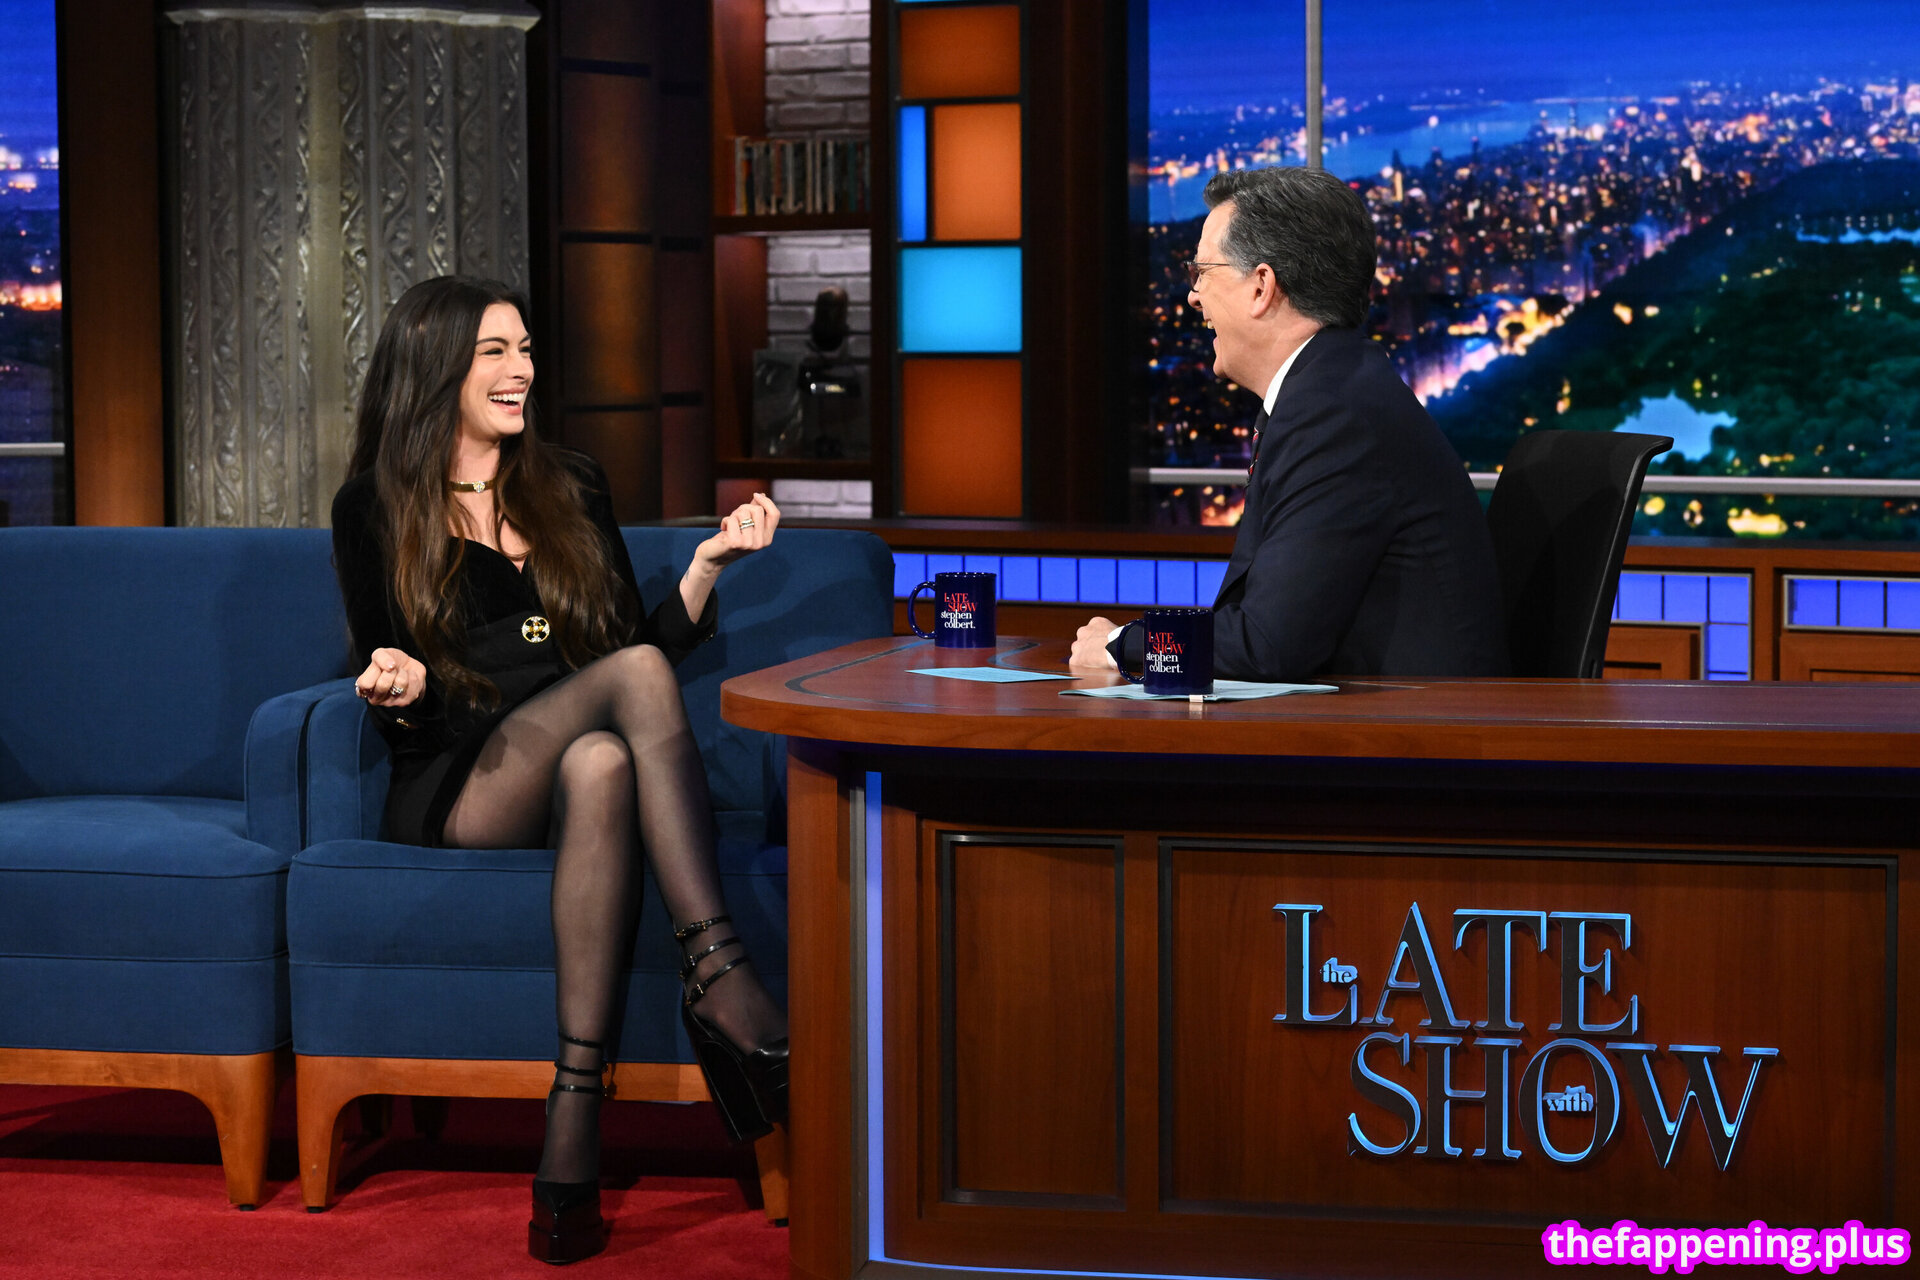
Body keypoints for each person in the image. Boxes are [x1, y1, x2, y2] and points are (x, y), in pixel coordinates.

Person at [330, 276, 786, 1265]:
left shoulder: (569, 482)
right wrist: (401, 680)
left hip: (577, 757)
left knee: (602, 757)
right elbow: (397, 669)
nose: (522, 370)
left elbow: (622, 646)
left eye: (526, 348)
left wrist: (704, 568)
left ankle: (572, 1119)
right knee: (624, 694)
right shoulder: (374, 506)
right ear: (436, 367)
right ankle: (720, 975)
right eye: (494, 351)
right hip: (463, 773)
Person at [1070, 166, 1509, 681]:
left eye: (1202, 272)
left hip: (1412, 724)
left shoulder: (1335, 416)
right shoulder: (1334, 388)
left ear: (1261, 286)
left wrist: (1123, 646)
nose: (1193, 296)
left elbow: (1265, 644)